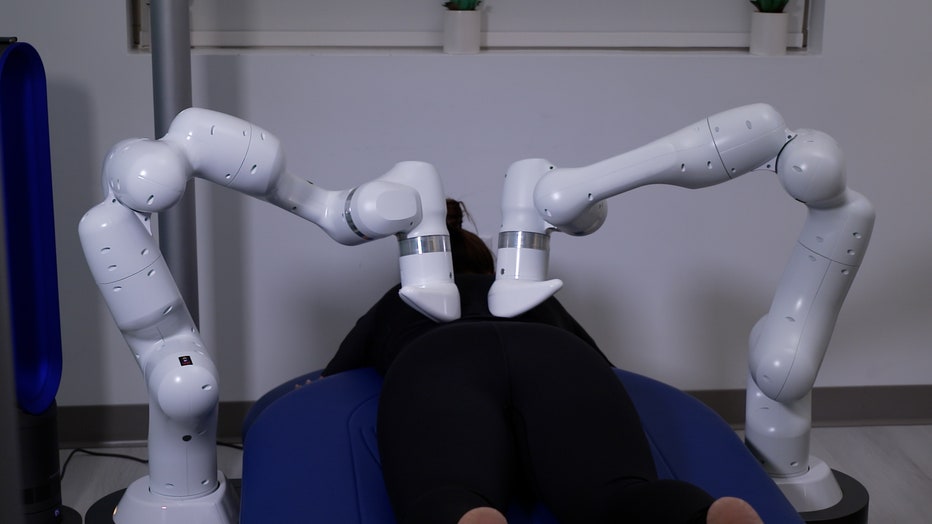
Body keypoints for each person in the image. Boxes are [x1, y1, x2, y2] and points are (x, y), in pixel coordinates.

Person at [323, 199, 763, 524]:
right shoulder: (525, 293)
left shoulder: (403, 299)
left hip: (441, 357)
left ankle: (470, 515)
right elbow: (603, 367)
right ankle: (701, 516)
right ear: (489, 265)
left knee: (446, 492)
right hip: (557, 354)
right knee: (616, 495)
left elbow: (334, 378)